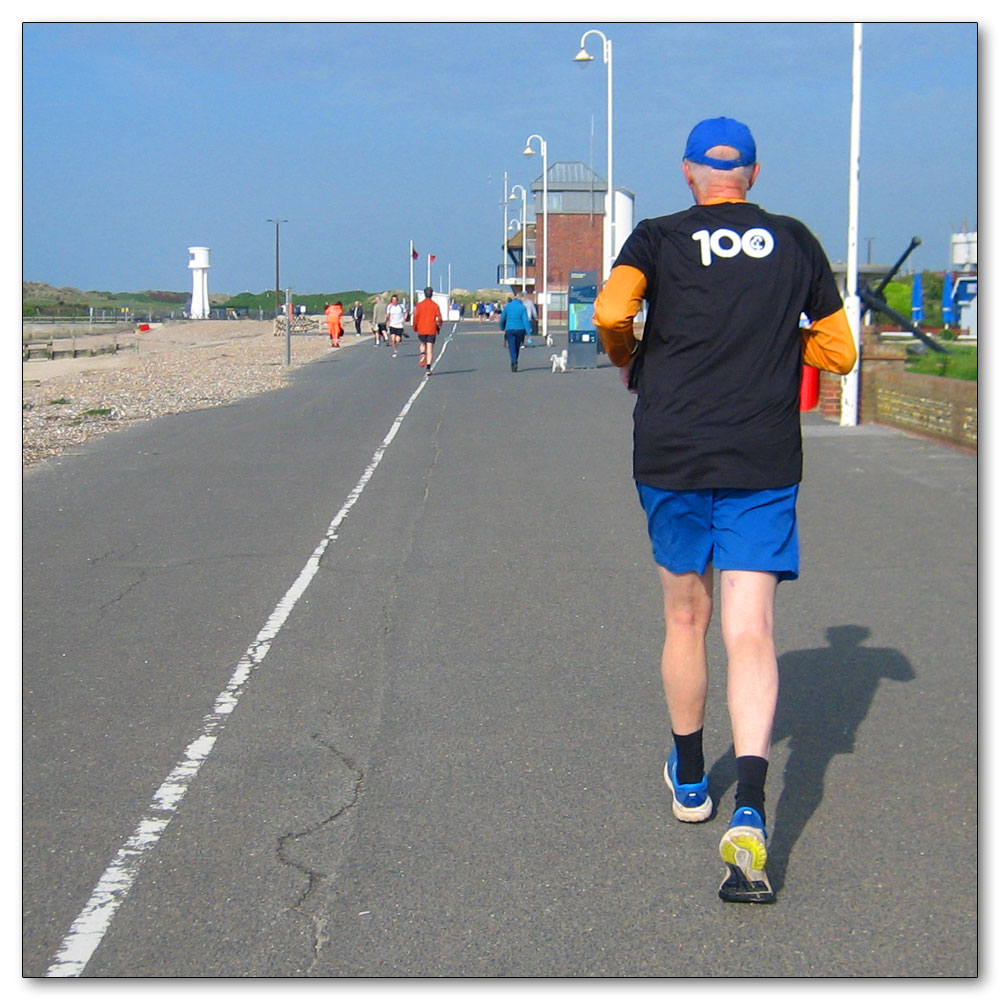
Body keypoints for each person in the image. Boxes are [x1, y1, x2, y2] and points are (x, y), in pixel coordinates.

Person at [593, 116, 857, 904]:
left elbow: (610, 313)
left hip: (672, 449)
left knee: (686, 620)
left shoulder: (658, 238)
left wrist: (629, 356)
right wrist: (784, 347)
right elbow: (841, 351)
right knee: (752, 630)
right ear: (753, 174)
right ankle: (751, 806)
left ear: (687, 173)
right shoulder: (796, 241)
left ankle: (687, 774)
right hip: (762, 457)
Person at [412, 286, 443, 376]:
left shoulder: (420, 305)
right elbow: (439, 317)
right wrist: (439, 325)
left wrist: (415, 327)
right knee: (430, 349)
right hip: (431, 329)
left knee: (422, 344)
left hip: (421, 329)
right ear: (432, 294)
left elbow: (416, 317)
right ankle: (428, 368)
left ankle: (422, 354)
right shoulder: (435, 305)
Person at [498, 293, 530, 372]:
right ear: (521, 299)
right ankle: (515, 359)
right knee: (517, 346)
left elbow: (502, 318)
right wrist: (529, 332)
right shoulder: (522, 307)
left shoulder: (508, 306)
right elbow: (525, 320)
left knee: (511, 346)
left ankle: (513, 360)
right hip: (520, 329)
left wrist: (502, 327)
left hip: (510, 328)